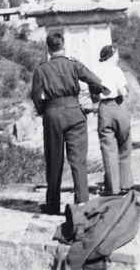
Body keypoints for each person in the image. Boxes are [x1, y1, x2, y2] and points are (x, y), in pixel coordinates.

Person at [31, 32, 106, 216]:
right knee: (78, 161)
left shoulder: (41, 69)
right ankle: (81, 205)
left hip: (53, 115)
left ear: (48, 49)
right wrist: (94, 96)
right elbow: (96, 81)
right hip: (75, 113)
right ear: (63, 47)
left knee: (54, 161)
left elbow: (35, 96)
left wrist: (44, 110)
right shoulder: (73, 64)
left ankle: (52, 206)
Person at [93, 45, 134, 196]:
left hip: (104, 109)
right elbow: (123, 91)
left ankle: (112, 187)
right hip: (118, 106)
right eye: (116, 54)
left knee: (108, 150)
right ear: (111, 55)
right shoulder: (116, 70)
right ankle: (125, 184)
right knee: (124, 145)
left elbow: (94, 95)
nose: (118, 57)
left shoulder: (96, 70)